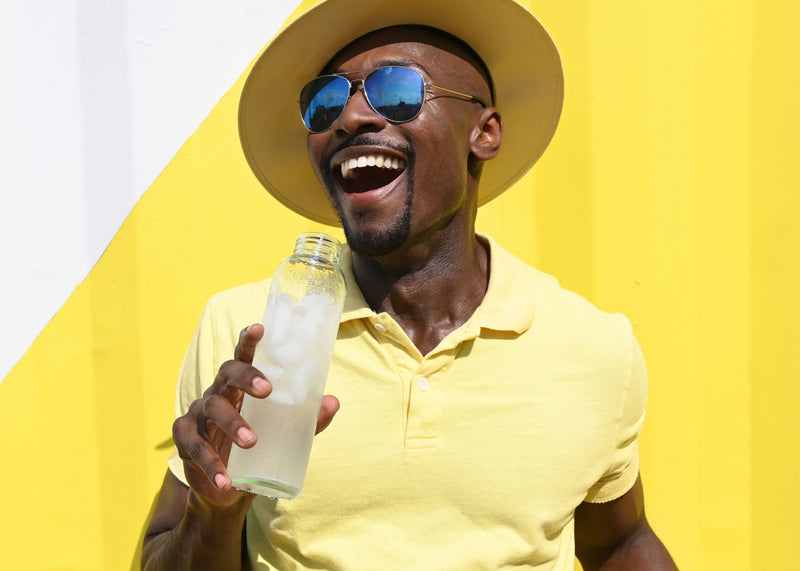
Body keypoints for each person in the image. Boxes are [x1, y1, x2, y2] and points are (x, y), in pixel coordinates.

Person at [142, 0, 677, 569]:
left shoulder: (595, 348)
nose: (348, 119)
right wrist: (214, 512)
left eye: (395, 91)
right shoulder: (249, 332)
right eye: (325, 105)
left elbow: (620, 542)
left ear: (485, 132)